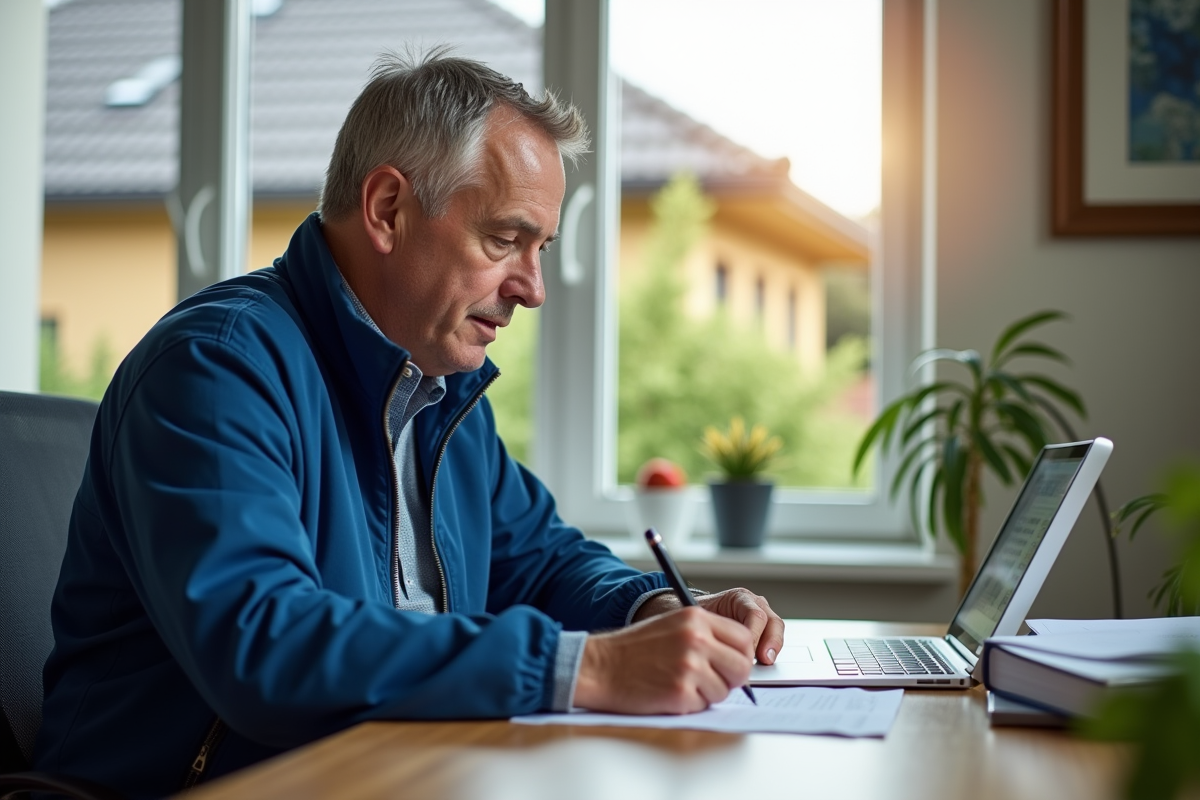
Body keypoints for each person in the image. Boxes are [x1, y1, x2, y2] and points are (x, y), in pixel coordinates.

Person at [34, 49, 785, 798]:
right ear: (388, 210)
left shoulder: (439, 388)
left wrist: (650, 608)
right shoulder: (215, 368)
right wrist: (592, 667)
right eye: (504, 240)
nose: (533, 288)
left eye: (542, 248)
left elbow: (541, 561)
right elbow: (265, 644)